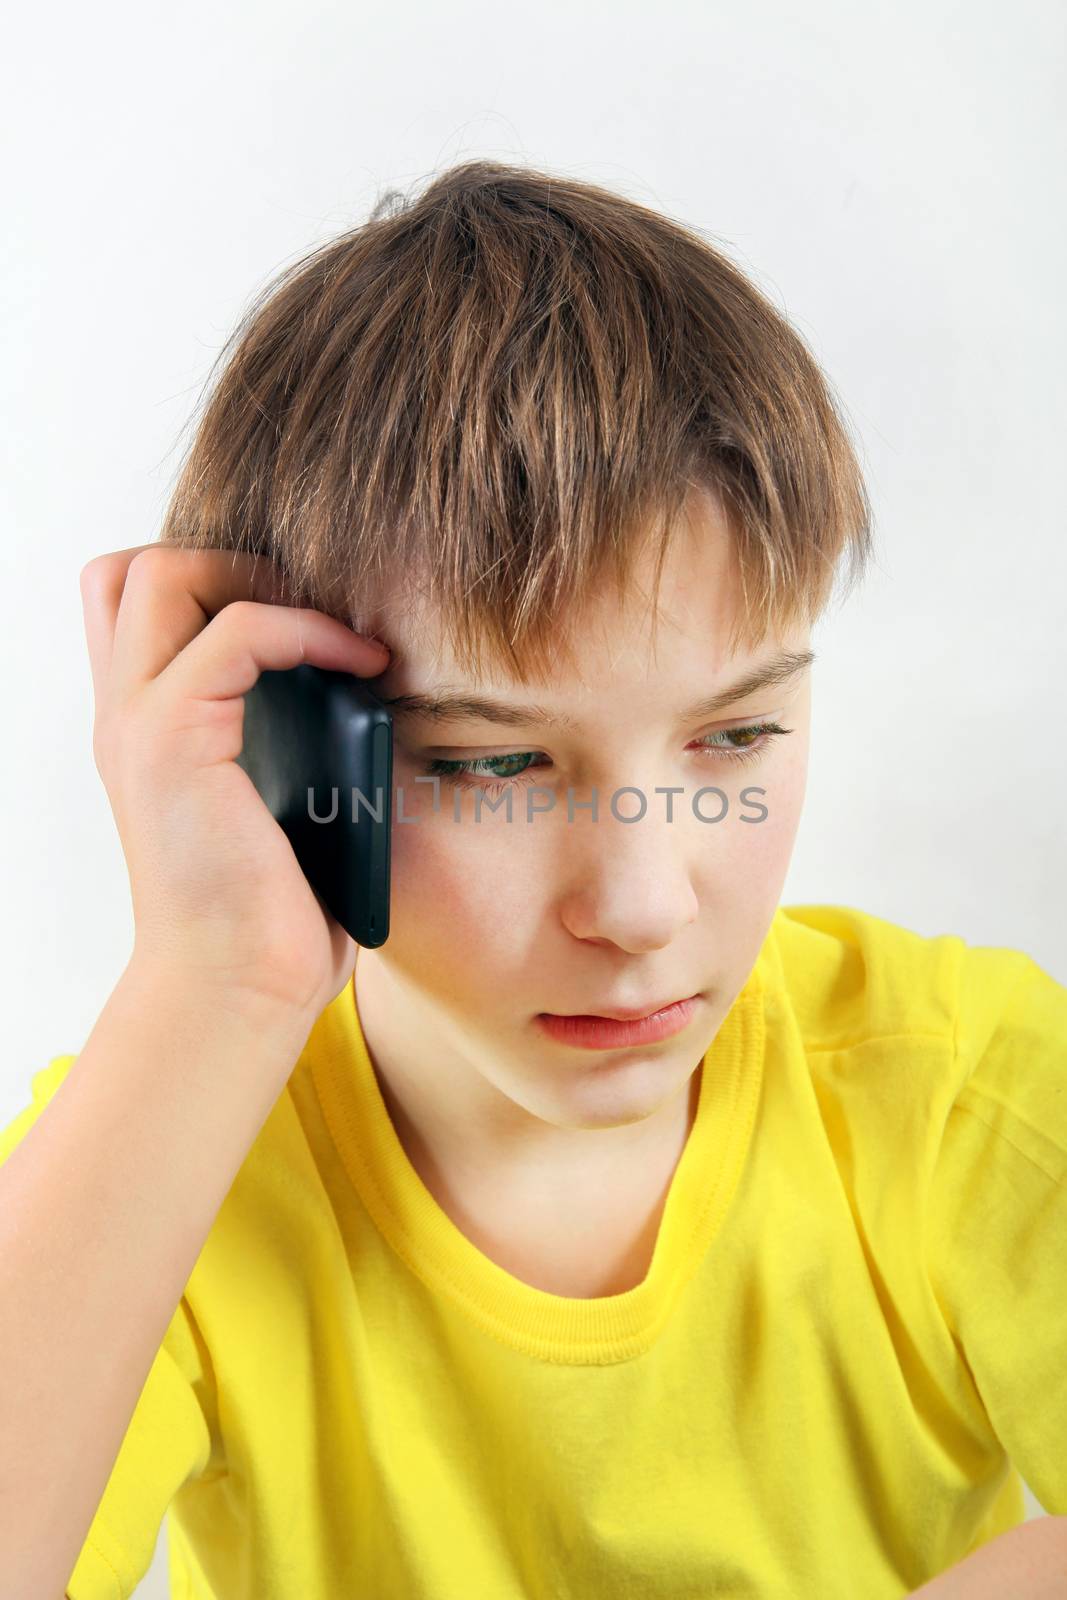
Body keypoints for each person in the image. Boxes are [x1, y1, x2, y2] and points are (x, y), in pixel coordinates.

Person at [1, 160, 1064, 1600]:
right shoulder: (166, 1156)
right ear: (301, 750)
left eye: (737, 734)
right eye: (495, 767)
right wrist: (215, 985)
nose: (641, 906)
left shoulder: (955, 1089)